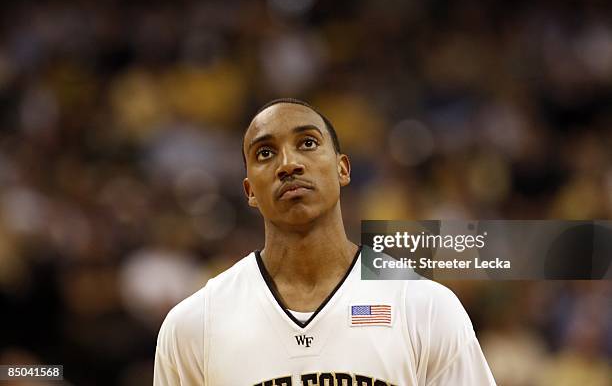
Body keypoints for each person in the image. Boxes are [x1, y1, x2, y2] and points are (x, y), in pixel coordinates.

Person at [153, 98, 496, 385]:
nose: (288, 164)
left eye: (307, 143)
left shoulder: (423, 305)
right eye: (265, 153)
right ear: (249, 192)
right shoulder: (196, 323)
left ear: (343, 169)